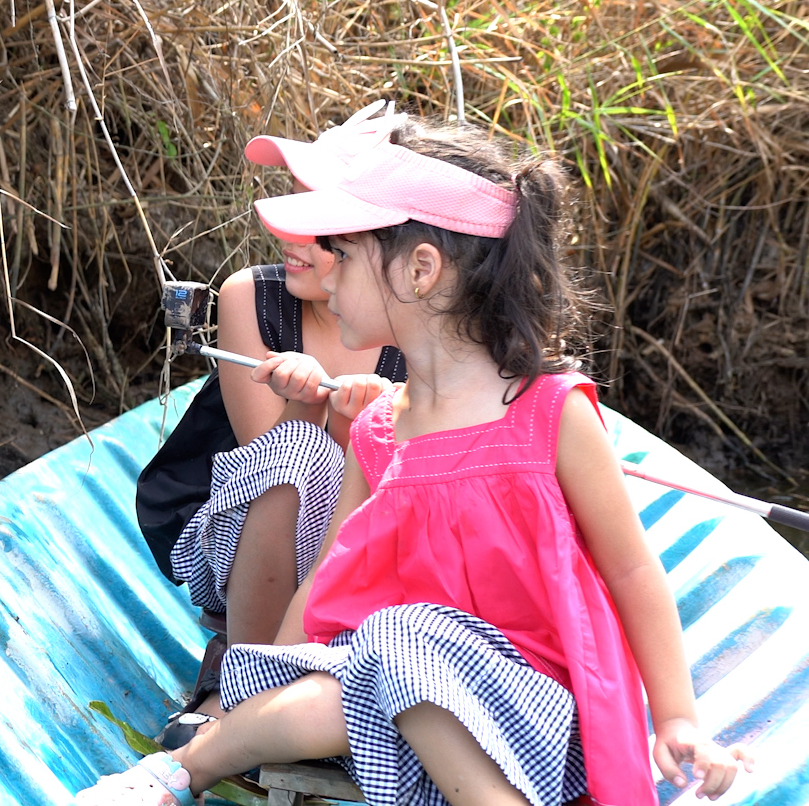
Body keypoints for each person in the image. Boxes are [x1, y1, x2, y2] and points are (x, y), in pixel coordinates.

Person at [84, 115, 753, 806]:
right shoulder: (380, 428)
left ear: (422, 269)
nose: (325, 270)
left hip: (533, 712)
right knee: (347, 667)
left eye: (342, 254)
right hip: (397, 686)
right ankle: (173, 775)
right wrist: (272, 670)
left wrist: (676, 718)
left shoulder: (551, 412)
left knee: (401, 637)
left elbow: (633, 569)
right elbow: (327, 577)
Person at [141, 105, 409, 746]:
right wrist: (308, 405)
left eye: (321, 225)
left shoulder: (419, 324)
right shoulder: (248, 298)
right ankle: (244, 687)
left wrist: (366, 425)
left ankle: (310, 695)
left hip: (374, 542)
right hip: (242, 537)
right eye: (293, 206)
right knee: (293, 454)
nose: (290, 234)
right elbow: (270, 462)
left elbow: (395, 489)